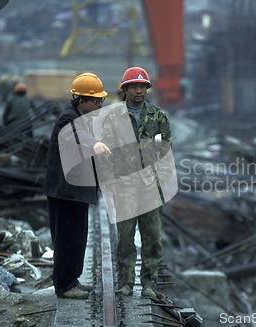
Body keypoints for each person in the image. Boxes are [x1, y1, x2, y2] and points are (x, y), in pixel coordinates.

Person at [105, 67, 172, 298]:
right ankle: (125, 283)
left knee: (152, 237)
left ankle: (149, 284)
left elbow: (165, 149)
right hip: (124, 184)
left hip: (150, 185)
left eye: (142, 86)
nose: (139, 90)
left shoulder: (158, 116)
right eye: (134, 86)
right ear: (125, 90)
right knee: (125, 236)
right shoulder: (113, 117)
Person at [43, 72, 110, 299]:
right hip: (64, 192)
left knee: (78, 238)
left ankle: (73, 279)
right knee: (66, 239)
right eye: (96, 100)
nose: (100, 104)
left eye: (101, 100)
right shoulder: (68, 119)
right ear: (81, 100)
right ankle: (63, 285)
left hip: (76, 191)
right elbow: (77, 136)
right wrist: (95, 144)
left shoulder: (84, 118)